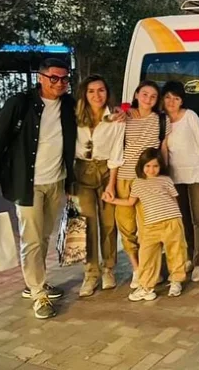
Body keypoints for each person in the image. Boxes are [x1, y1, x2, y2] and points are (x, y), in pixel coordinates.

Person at [0, 58, 76, 319]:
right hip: (27, 183)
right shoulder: (20, 103)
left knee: (43, 236)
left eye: (64, 78)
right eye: (54, 78)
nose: (60, 83)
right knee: (31, 239)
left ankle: (35, 280)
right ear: (40, 78)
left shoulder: (68, 105)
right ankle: (38, 293)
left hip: (56, 181)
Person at [103, 147, 187, 301]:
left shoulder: (166, 180)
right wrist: (113, 200)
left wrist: (178, 218)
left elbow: (174, 200)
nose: (151, 170)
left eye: (155, 166)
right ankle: (146, 287)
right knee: (147, 256)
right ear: (141, 166)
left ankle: (176, 281)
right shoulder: (137, 183)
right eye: (147, 166)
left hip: (171, 222)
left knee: (176, 252)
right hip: (150, 226)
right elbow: (130, 202)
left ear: (160, 166)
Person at [115, 81, 171, 289]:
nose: (148, 99)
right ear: (136, 95)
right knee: (127, 227)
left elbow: (163, 150)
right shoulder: (124, 117)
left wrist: (164, 177)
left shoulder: (162, 120)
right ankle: (137, 269)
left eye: (153, 96)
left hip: (149, 180)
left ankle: (150, 270)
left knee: (150, 227)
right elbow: (115, 148)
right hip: (124, 177)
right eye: (145, 94)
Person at [74, 75, 125, 297]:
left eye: (101, 90)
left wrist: (111, 184)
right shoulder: (75, 116)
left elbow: (117, 153)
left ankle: (108, 269)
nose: (97, 95)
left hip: (106, 171)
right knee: (87, 223)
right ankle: (90, 272)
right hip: (81, 171)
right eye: (91, 91)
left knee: (108, 223)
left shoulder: (116, 119)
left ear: (107, 92)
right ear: (85, 94)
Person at [161, 81, 199, 282]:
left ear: (182, 100)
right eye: (168, 97)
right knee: (183, 220)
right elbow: (163, 151)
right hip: (175, 177)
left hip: (196, 174)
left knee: (198, 220)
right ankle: (191, 256)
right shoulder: (162, 120)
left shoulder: (190, 116)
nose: (172, 102)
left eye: (176, 98)